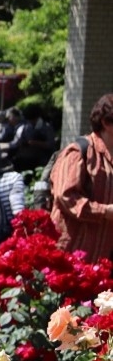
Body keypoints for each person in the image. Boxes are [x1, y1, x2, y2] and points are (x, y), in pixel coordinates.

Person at [50, 93, 113, 260]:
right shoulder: (79, 152)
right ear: (106, 123)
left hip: (101, 258)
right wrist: (105, 211)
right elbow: (65, 196)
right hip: (69, 256)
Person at [10, 104, 58, 173]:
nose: (31, 122)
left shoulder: (47, 128)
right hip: (26, 157)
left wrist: (36, 143)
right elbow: (17, 142)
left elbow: (51, 144)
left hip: (41, 158)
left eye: (32, 120)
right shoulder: (25, 127)